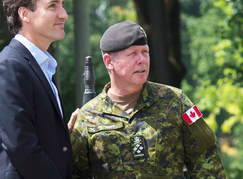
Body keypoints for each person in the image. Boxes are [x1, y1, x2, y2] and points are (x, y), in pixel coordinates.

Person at [71, 21, 227, 178]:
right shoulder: (88, 116)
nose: (141, 60)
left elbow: (207, 162)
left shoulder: (176, 101)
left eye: (145, 52)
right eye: (132, 54)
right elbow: (74, 173)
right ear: (109, 62)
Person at [0, 0, 79, 179]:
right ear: (25, 14)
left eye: (62, 5)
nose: (64, 14)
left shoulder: (37, 65)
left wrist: (62, 134)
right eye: (53, 6)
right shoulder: (9, 67)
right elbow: (22, 148)